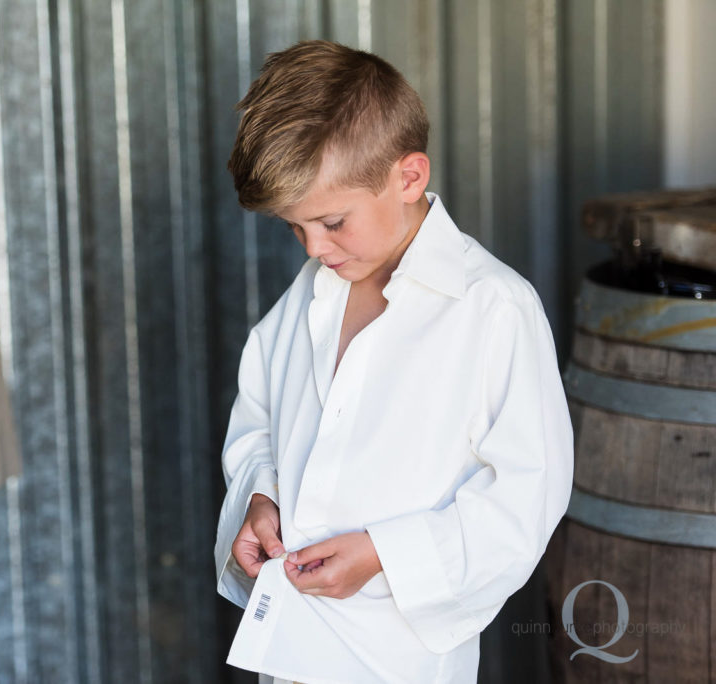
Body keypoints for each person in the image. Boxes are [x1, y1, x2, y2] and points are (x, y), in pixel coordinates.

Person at [214, 41, 573, 683]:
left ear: (408, 177)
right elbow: (259, 417)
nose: (314, 248)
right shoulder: (311, 293)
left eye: (331, 222)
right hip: (290, 651)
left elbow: (525, 499)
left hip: (396, 662)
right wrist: (260, 498)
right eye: (295, 228)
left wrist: (385, 554)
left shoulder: (492, 309)